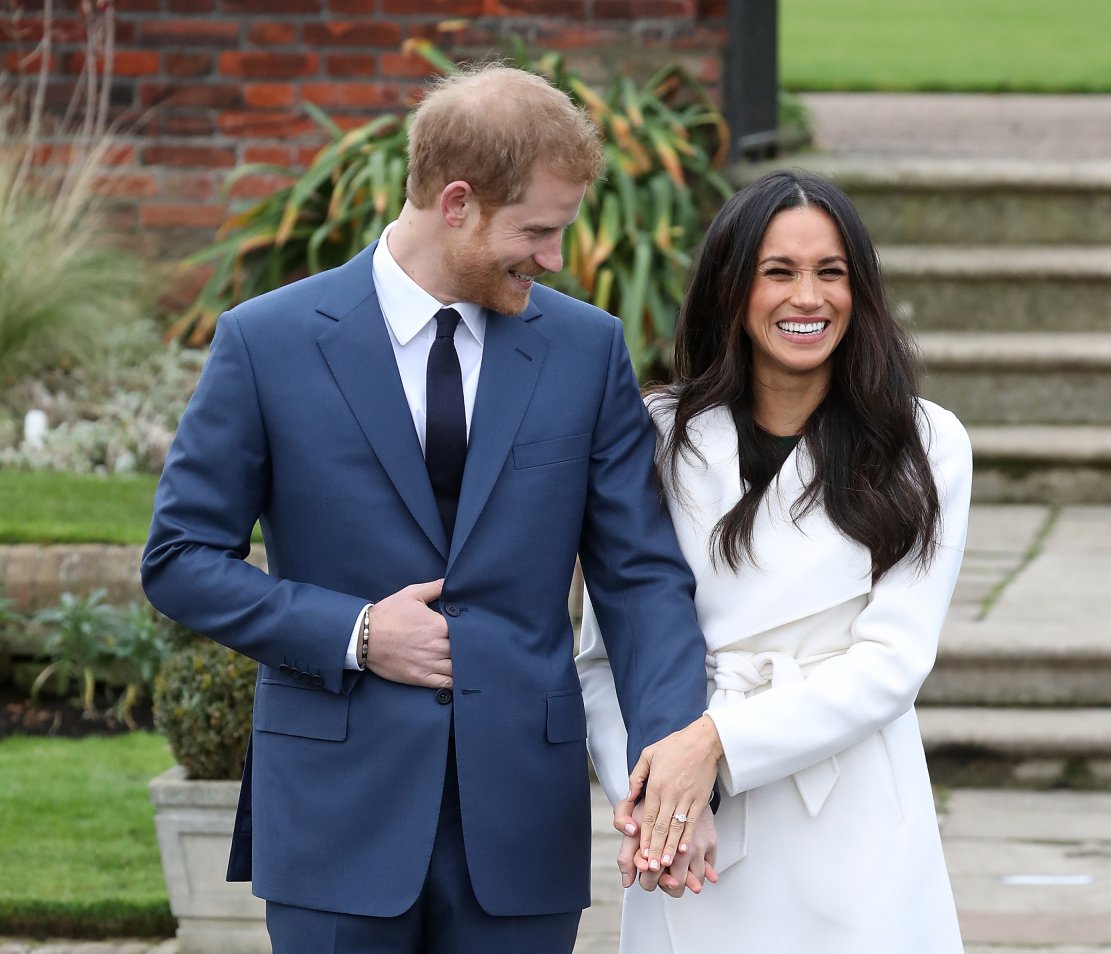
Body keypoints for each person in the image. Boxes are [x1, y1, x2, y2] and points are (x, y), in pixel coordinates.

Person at [141, 64, 716, 954]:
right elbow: (178, 557)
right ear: (457, 203)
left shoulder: (585, 350)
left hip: (522, 817)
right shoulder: (268, 342)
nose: (554, 259)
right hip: (335, 815)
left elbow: (640, 579)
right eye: (537, 231)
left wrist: (672, 771)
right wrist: (358, 632)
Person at [577, 169, 971, 952]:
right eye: (778, 272)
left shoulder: (924, 444)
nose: (809, 299)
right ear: (731, 287)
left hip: (851, 810)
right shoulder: (656, 435)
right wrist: (659, 802)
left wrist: (717, 745)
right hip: (694, 830)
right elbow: (603, 654)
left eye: (832, 273)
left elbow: (893, 662)